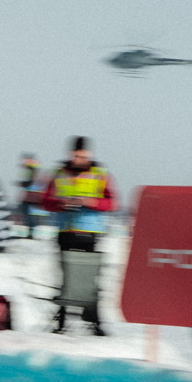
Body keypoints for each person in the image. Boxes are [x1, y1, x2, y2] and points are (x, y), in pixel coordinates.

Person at [35, 137, 118, 336]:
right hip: (66, 231)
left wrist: (91, 202)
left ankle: (93, 322)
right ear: (70, 154)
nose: (79, 159)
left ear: (89, 155)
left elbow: (112, 203)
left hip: (91, 233)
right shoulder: (58, 173)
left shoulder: (101, 174)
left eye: (83, 156)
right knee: (65, 279)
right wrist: (62, 204)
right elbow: (45, 202)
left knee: (90, 280)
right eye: (76, 156)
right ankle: (61, 322)